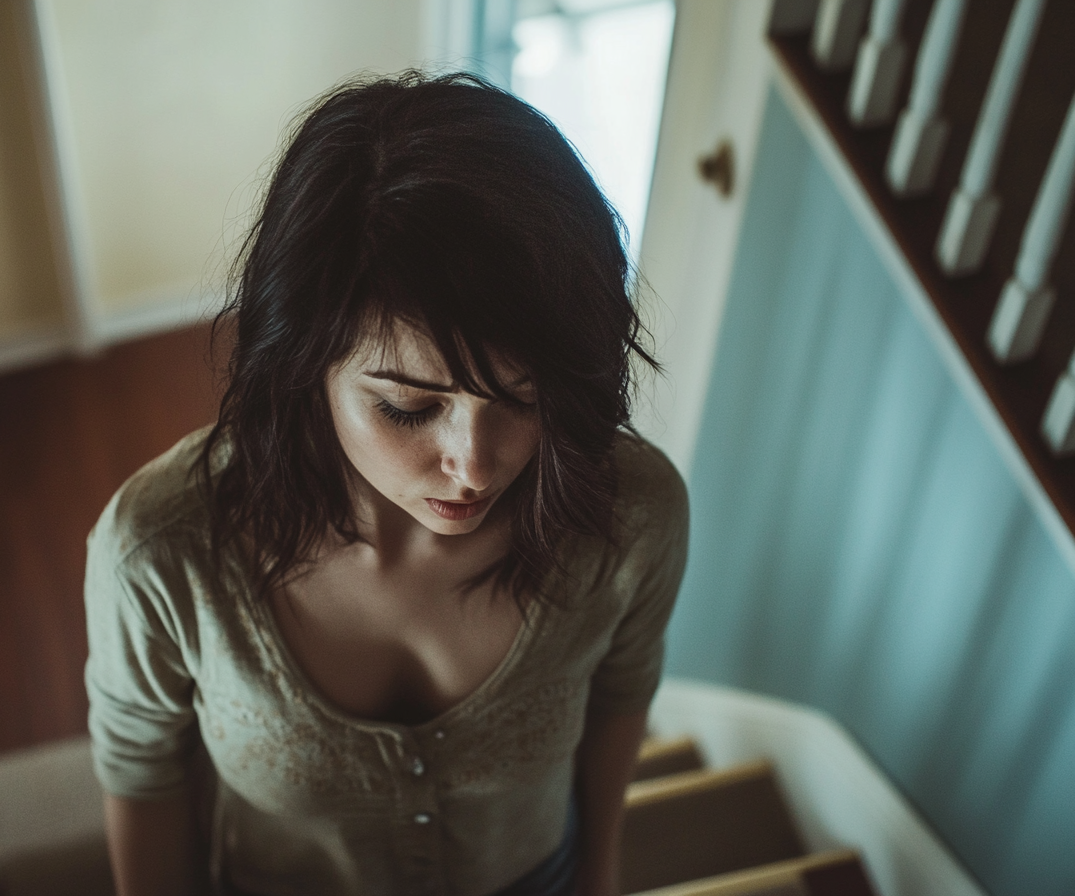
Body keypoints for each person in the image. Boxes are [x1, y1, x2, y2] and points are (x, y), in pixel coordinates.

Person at [84, 71, 689, 896]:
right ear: (305, 367)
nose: (475, 466)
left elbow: (622, 698)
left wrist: (600, 876)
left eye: (522, 399)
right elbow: (142, 770)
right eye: (408, 407)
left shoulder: (635, 514)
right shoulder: (160, 552)